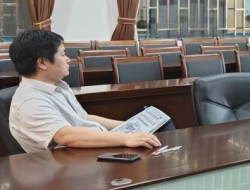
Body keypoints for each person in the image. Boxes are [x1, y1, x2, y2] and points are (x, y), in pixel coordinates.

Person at [8, 29, 162, 153]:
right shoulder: (30, 102)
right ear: (42, 62)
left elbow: (83, 118)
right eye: (62, 54)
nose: (68, 59)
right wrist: (125, 138)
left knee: (160, 129)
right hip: (67, 167)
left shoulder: (58, 86)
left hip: (86, 153)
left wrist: (130, 126)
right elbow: (66, 136)